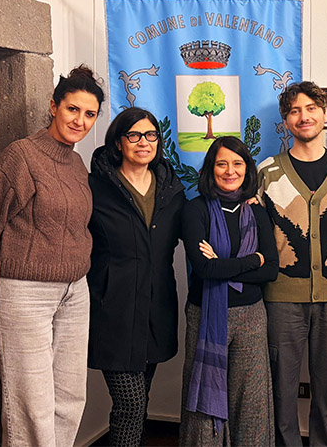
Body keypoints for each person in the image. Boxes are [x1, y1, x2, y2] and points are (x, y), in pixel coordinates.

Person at [0, 65, 104, 446]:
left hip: (75, 292)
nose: (80, 120)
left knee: (70, 399)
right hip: (24, 294)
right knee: (30, 407)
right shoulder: (20, 157)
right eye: (73, 109)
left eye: (90, 114)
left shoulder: (76, 164)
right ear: (53, 107)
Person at [257, 81, 327, 447]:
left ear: (325, 114)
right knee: (280, 391)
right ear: (286, 121)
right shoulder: (266, 173)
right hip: (281, 299)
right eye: (295, 111)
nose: (304, 117)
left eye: (311, 108)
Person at [87, 107, 185, 446]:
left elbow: (198, 228)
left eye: (151, 135)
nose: (144, 142)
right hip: (112, 311)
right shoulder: (95, 188)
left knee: (139, 403)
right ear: (118, 142)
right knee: (130, 405)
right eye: (134, 135)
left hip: (156, 309)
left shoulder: (172, 189)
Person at [180, 136, 279, 446]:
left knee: (251, 400)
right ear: (211, 168)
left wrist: (223, 264)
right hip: (206, 314)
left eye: (237, 163)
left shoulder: (257, 211)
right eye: (222, 163)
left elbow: (271, 270)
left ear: (247, 169)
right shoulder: (194, 210)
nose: (230, 171)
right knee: (204, 397)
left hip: (251, 316)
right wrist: (252, 260)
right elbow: (204, 269)